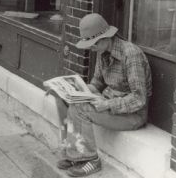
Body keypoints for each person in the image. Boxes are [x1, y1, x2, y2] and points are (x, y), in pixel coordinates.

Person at [51, 13, 152, 177]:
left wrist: (108, 104)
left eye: (93, 44)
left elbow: (139, 99)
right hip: (107, 101)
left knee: (81, 108)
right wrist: (74, 91)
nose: (91, 48)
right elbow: (97, 83)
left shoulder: (131, 55)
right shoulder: (102, 51)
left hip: (132, 115)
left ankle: (90, 160)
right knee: (63, 99)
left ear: (106, 38)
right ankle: (72, 153)